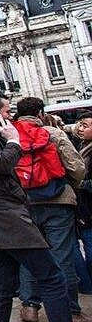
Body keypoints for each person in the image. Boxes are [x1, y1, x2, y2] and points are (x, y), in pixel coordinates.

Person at [0, 90, 77, 322]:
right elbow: (2, 162)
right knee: (52, 277)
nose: (11, 116)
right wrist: (13, 140)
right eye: (6, 111)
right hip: (3, 215)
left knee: (3, 285)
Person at [12, 96, 90, 322]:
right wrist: (69, 184)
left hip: (24, 204)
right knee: (62, 256)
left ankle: (30, 306)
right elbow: (77, 168)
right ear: (40, 113)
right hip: (58, 201)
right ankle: (71, 310)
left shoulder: (9, 136)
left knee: (30, 254)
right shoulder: (53, 133)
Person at [75, 113, 92, 294]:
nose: (80, 129)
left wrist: (80, 183)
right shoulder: (82, 147)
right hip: (84, 208)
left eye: (85, 125)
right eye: (80, 125)